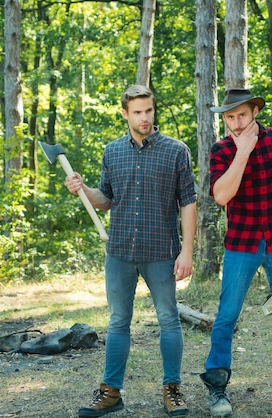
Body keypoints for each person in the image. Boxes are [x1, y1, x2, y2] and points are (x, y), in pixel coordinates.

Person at [65, 84, 197, 418]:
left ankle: (173, 391)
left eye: (149, 110)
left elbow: (189, 203)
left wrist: (187, 251)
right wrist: (83, 189)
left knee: (169, 319)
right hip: (120, 250)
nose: (144, 118)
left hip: (161, 250)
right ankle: (110, 393)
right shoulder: (112, 151)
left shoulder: (176, 151)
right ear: (125, 113)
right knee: (118, 321)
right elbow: (106, 199)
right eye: (137, 112)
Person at [199, 88, 272, 417]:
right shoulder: (221, 150)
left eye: (242, 115)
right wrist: (243, 151)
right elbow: (221, 195)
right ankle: (218, 388)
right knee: (226, 318)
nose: (236, 123)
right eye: (230, 117)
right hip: (242, 245)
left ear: (255, 112)